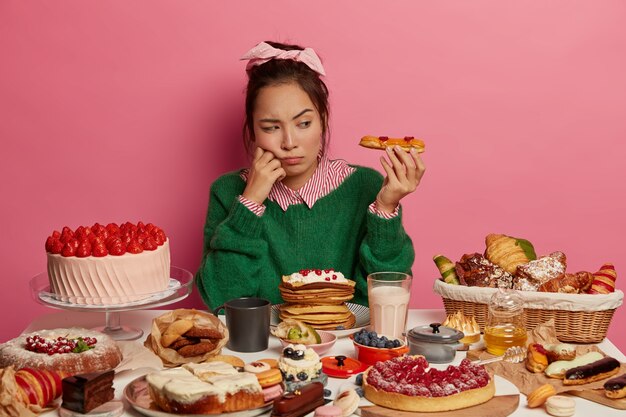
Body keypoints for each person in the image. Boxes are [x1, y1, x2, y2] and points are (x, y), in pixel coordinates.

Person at [196, 41, 425, 310]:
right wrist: (251, 203)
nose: (289, 141)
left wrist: (386, 209)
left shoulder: (366, 187)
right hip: (261, 351)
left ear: (323, 121)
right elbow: (224, 302)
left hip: (343, 348)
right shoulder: (228, 191)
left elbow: (386, 300)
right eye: (271, 127)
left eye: (303, 123)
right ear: (253, 130)